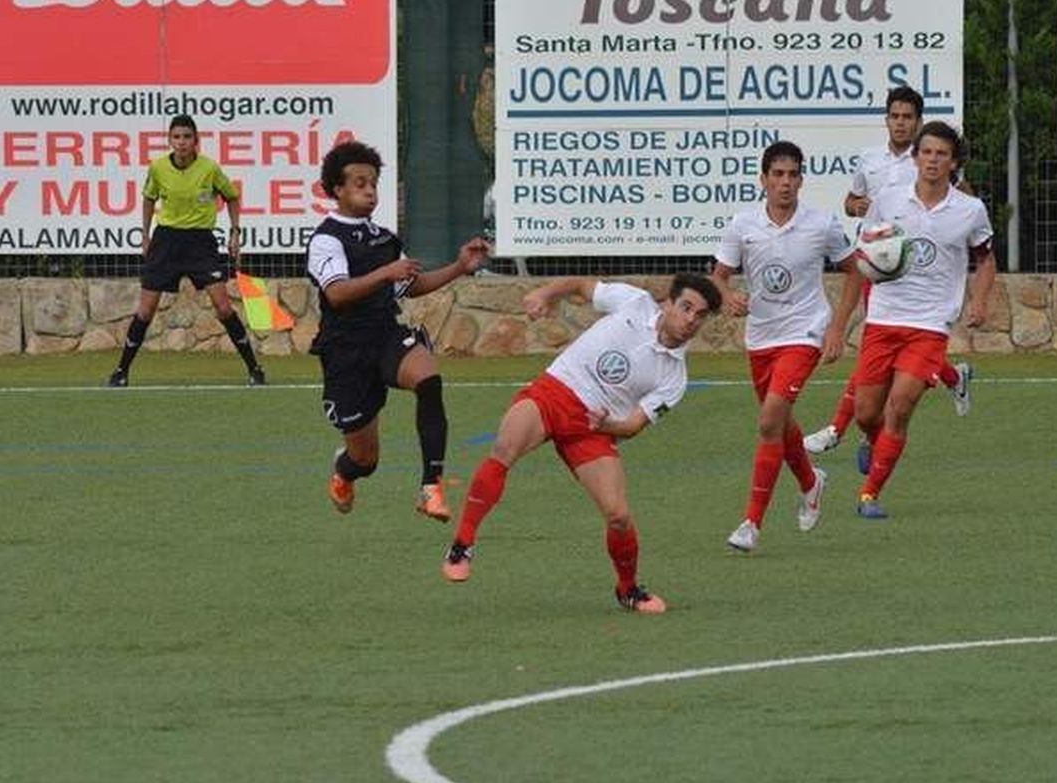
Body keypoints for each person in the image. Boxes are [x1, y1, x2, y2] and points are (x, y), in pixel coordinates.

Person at [440, 273, 722, 613]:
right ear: (669, 303)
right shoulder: (634, 302)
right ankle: (462, 544)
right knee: (504, 448)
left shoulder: (674, 377)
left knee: (618, 516)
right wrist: (545, 292)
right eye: (686, 307)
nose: (690, 319)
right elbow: (580, 285)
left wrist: (608, 425)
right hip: (555, 391)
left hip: (593, 428)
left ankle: (628, 589)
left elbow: (633, 425)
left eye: (700, 315)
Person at [308, 140, 491, 521]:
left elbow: (410, 285)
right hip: (346, 350)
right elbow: (338, 294)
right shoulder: (326, 238)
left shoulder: (385, 239)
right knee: (366, 459)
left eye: (373, 182)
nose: (369, 189)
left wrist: (459, 267)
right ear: (337, 189)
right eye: (359, 182)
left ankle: (431, 488)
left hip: (384, 334)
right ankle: (344, 471)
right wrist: (385, 273)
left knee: (428, 378)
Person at [824, 121, 997, 519]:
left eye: (941, 154)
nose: (933, 160)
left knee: (899, 406)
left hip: (931, 322)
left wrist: (980, 300)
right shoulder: (889, 199)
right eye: (927, 152)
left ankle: (869, 495)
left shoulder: (969, 210)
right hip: (884, 317)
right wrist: (873, 269)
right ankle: (874, 440)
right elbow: (864, 253)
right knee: (868, 412)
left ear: (954, 162)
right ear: (916, 157)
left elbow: (986, 259)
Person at [806, 87, 973, 456]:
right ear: (886, 120)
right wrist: (860, 205)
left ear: (918, 121)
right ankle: (953, 377)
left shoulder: (930, 159)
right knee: (879, 347)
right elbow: (850, 203)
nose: (901, 123)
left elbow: (964, 200)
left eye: (908, 117)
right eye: (895, 116)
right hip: (880, 266)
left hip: (921, 270)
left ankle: (838, 428)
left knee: (889, 346)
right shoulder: (870, 160)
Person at [710, 140, 855, 553]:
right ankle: (811, 482)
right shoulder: (743, 226)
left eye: (793, 175)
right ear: (764, 180)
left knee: (770, 418)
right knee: (780, 421)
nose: (785, 182)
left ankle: (751, 524)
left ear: (802, 180)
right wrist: (727, 294)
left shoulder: (821, 224)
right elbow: (718, 276)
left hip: (805, 333)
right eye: (778, 174)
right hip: (762, 338)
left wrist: (836, 329)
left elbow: (855, 271)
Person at [107, 114, 263, 388]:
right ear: (170, 140)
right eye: (176, 137)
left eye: (187, 137)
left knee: (223, 307)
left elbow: (232, 197)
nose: (181, 142)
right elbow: (148, 197)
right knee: (146, 310)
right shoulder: (157, 168)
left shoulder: (209, 168)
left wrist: (235, 232)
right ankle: (121, 372)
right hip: (166, 241)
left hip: (200, 243)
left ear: (196, 141)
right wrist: (145, 235)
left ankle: (255, 369)